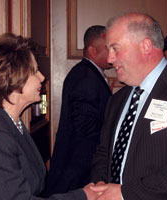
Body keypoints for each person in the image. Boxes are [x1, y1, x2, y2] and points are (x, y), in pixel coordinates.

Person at [0, 33, 99, 200]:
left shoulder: (8, 121)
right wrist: (82, 196)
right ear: (13, 79)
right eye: (35, 71)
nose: (42, 77)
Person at [89, 12, 167, 199]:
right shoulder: (117, 99)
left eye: (115, 48)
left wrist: (125, 193)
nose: (109, 59)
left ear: (145, 46)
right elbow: (104, 152)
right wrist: (101, 185)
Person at [44, 25, 112, 196]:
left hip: (77, 166)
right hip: (78, 168)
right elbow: (86, 127)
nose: (113, 54)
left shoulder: (88, 74)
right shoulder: (86, 78)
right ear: (92, 50)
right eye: (108, 48)